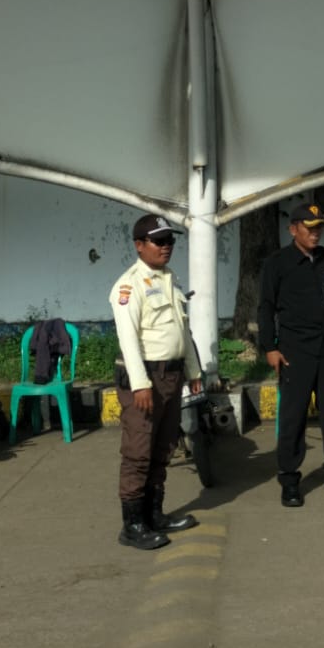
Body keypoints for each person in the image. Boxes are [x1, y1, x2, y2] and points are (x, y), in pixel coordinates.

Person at [256, 202, 324, 507]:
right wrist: (270, 347)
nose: (316, 234)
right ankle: (290, 479)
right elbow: (265, 308)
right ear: (293, 230)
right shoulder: (277, 263)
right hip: (295, 351)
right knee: (294, 417)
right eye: (310, 228)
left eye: (319, 228)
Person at [109, 214, 204, 550]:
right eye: (159, 241)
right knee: (138, 451)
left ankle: (154, 514)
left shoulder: (169, 279)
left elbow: (182, 331)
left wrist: (194, 371)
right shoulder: (128, 285)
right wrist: (140, 384)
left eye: (170, 241)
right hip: (146, 377)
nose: (166, 247)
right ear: (139, 245)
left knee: (163, 447)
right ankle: (133, 525)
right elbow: (128, 339)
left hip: (172, 375)